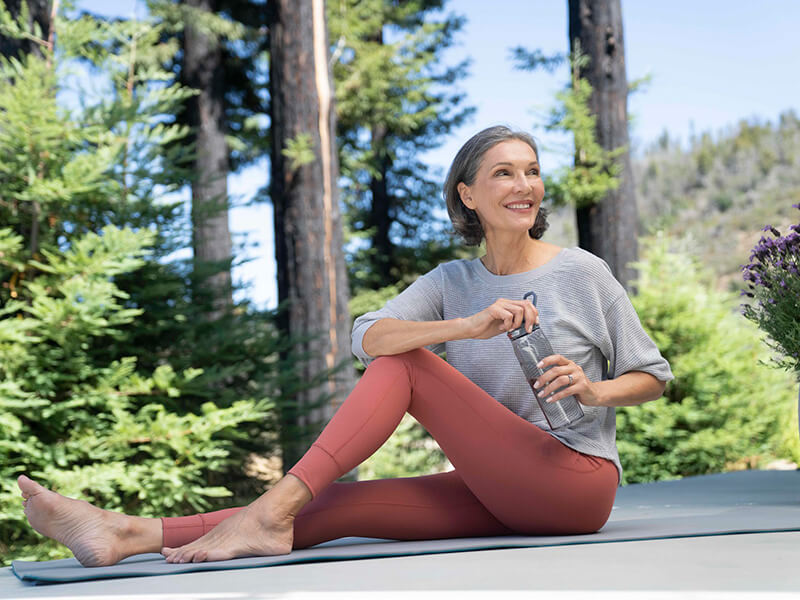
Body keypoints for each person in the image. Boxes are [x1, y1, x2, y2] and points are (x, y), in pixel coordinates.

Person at [17, 125, 673, 567]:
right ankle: (126, 534)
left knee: (407, 369)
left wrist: (595, 389)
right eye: (504, 173)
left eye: (531, 172)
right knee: (329, 505)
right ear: (467, 195)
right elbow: (368, 337)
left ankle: (265, 513)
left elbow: (652, 373)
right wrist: (466, 327)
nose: (524, 185)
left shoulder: (580, 272)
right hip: (497, 487)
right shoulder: (454, 282)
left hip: (574, 483)